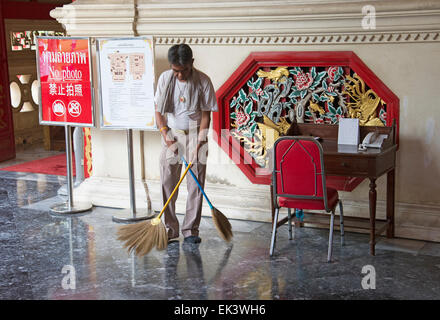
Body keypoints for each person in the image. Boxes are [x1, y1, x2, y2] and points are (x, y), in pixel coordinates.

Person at [154, 44, 218, 244]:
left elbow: (206, 116)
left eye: (183, 71)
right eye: (176, 71)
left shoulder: (203, 81)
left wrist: (199, 143)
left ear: (192, 63)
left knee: (195, 184)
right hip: (171, 134)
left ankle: (191, 230)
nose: (179, 76)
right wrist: (166, 136)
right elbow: (158, 111)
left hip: (196, 134)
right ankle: (170, 228)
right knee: (167, 181)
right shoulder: (165, 78)